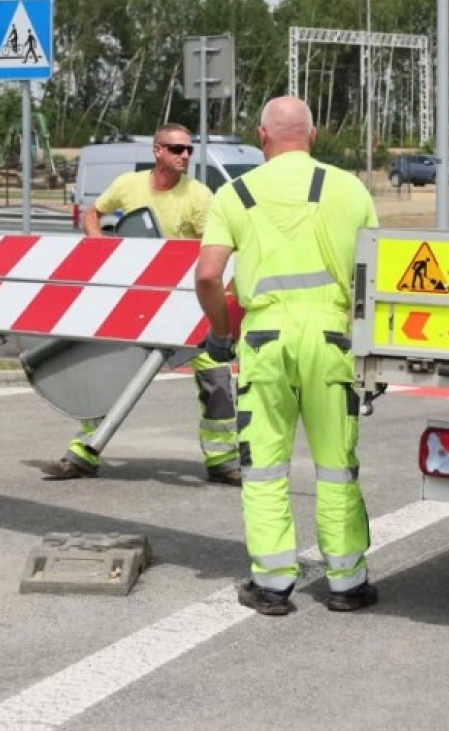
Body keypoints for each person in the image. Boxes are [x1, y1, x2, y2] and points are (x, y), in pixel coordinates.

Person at [194, 96, 379, 616]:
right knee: (337, 464)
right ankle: (349, 584)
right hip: (331, 338)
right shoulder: (351, 189)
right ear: (313, 137)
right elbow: (376, 276)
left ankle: (273, 585)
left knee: (265, 468)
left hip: (264, 340)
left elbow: (208, 276)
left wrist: (220, 331)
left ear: (262, 136)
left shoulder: (234, 194)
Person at [38, 123, 241, 485]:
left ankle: (223, 460)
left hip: (185, 305)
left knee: (216, 378)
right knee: (110, 373)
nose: (185, 156)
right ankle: (84, 453)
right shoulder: (127, 186)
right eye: (176, 149)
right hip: (136, 303)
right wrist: (100, 244)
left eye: (189, 150)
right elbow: (92, 214)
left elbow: (211, 248)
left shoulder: (199, 196)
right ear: (157, 151)